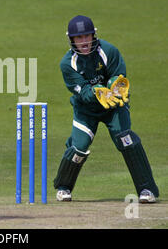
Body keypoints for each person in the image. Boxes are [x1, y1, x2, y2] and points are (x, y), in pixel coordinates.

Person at [53, 15, 159, 203]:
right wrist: (97, 92)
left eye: (87, 36)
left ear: (93, 36)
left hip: (114, 107)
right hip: (87, 110)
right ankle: (63, 187)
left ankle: (146, 190)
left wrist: (114, 85)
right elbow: (82, 92)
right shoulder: (67, 64)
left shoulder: (109, 51)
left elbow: (119, 75)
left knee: (126, 139)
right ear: (72, 40)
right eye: (79, 38)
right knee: (79, 147)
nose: (84, 41)